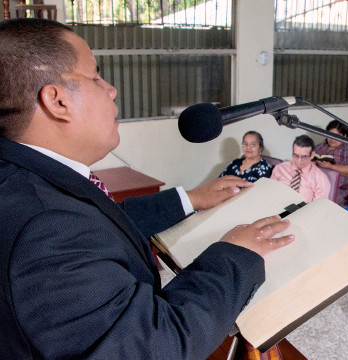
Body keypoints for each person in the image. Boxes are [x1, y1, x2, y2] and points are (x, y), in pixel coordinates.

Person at [0, 19, 295, 359]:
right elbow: (155, 345)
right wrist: (233, 253)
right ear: (57, 101)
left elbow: (94, 231)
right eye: (95, 76)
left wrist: (189, 199)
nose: (110, 89)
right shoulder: (43, 227)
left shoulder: (26, 181)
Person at [271, 134, 331, 203]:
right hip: (276, 211)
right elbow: (270, 194)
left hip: (303, 212)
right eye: (296, 155)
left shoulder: (320, 178)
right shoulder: (280, 168)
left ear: (312, 155)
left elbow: (318, 208)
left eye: (304, 157)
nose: (299, 160)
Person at [313, 120, 348, 204]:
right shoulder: (321, 146)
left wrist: (330, 167)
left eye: (336, 136)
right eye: (329, 135)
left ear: (344, 136)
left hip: (335, 189)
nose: (332, 139)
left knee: (313, 201)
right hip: (314, 184)